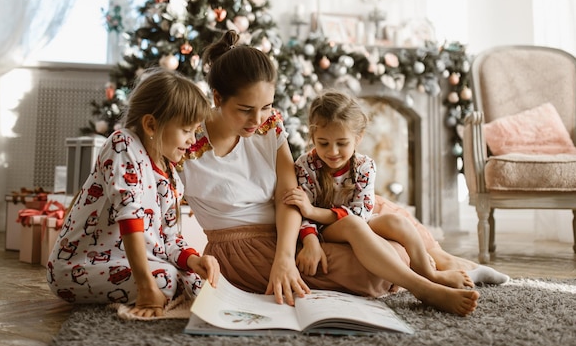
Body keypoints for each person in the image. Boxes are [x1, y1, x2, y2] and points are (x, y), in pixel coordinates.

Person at [179, 30, 482, 317]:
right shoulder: (187, 146)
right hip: (242, 249)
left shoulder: (268, 126)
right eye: (245, 109)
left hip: (290, 231)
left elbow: (290, 197)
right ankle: (425, 286)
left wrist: (286, 254)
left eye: (266, 107)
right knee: (378, 269)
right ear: (217, 98)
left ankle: (432, 273)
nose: (257, 119)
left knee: (394, 240)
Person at [46, 68, 220, 319]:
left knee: (196, 280)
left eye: (195, 131)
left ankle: (160, 282)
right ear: (151, 124)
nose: (192, 141)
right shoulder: (122, 145)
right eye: (186, 130)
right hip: (78, 267)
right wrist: (146, 286)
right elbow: (130, 217)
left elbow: (170, 241)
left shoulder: (171, 176)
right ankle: (150, 286)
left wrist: (194, 261)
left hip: (132, 263)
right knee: (166, 280)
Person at [285, 90, 473, 290]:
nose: (333, 152)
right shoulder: (305, 165)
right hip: (325, 229)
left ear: (358, 138)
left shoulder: (365, 166)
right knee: (351, 224)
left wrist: (313, 211)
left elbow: (361, 212)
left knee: (397, 221)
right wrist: (310, 240)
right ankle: (419, 286)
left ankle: (429, 273)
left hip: (359, 219)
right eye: (323, 143)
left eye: (342, 143)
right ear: (313, 136)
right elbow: (299, 209)